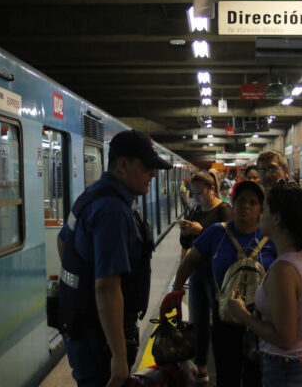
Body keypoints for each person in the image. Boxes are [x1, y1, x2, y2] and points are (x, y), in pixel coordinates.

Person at [56, 129, 171, 387]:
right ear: (122, 165)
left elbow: (63, 241)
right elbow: (107, 288)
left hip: (84, 326)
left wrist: (82, 284)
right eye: (147, 167)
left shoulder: (91, 195)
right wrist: (119, 356)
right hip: (100, 338)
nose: (153, 174)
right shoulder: (112, 211)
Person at [166, 181, 277, 387]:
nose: (246, 205)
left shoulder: (270, 236)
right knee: (227, 376)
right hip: (225, 320)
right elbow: (190, 262)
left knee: (257, 378)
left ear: (261, 209)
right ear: (232, 203)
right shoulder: (217, 232)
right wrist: (175, 293)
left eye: (253, 202)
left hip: (261, 322)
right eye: (241, 200)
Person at [227, 181, 302, 387]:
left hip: (288, 372)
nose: (259, 216)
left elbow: (285, 339)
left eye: (263, 210)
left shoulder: (284, 270)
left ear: (276, 218)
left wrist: (242, 314)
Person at [178, 172, 233, 382]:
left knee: (219, 321)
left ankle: (224, 364)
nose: (196, 197)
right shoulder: (195, 210)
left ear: (211, 190)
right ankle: (201, 364)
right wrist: (186, 233)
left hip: (217, 275)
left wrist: (201, 230)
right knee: (199, 320)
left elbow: (226, 243)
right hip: (198, 273)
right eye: (193, 193)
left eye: (199, 193)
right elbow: (187, 246)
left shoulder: (224, 210)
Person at [257, 150, 302, 255]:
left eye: (272, 169)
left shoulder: (298, 201)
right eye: (262, 170)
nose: (267, 175)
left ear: (285, 170)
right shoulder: (256, 201)